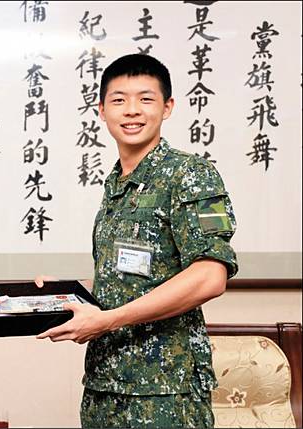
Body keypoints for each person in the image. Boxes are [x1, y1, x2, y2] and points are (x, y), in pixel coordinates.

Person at [36, 54, 238, 428]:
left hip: (166, 392)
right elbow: (130, 278)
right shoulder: (118, 184)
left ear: (167, 107)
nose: (132, 110)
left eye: (145, 99)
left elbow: (211, 276)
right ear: (101, 110)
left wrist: (108, 321)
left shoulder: (191, 174)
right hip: (105, 385)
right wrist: (61, 295)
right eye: (119, 100)